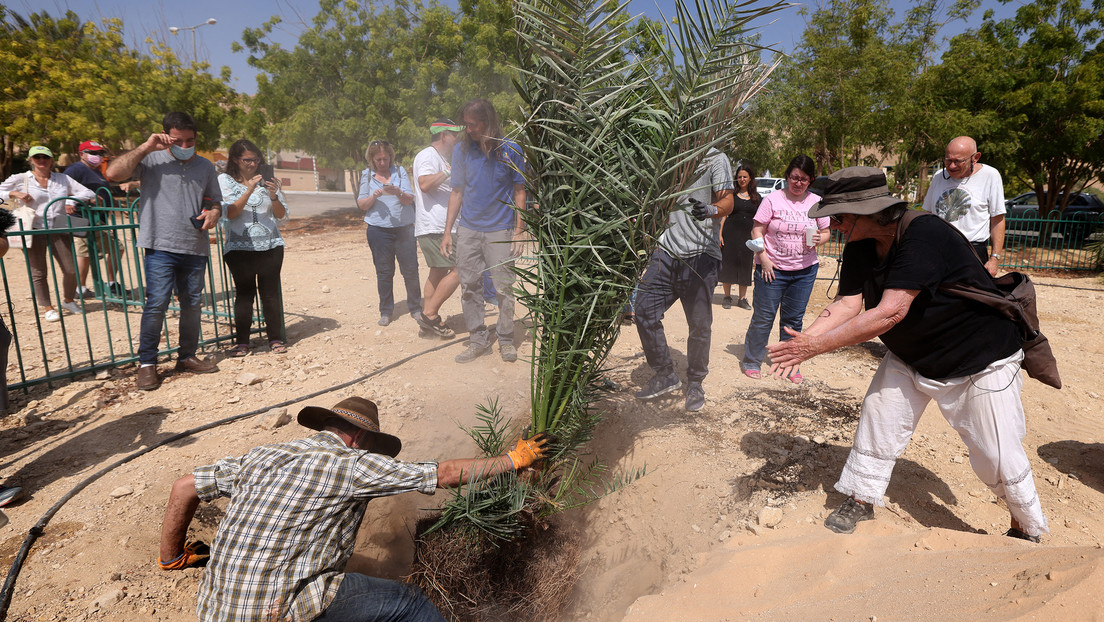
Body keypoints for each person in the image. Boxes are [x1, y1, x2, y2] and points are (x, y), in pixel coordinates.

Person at [767, 166, 1048, 543]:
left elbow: (890, 312)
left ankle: (1025, 526)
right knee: (879, 418)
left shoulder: (924, 234)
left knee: (996, 451)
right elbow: (848, 303)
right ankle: (861, 497)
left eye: (839, 215)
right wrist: (804, 342)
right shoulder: (860, 245)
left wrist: (813, 347)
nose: (832, 224)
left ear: (869, 211)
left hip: (979, 357)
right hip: (912, 352)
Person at [158, 396, 549, 621]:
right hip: (274, 611)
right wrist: (512, 461)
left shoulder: (264, 456)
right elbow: (444, 474)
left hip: (215, 611)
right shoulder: (352, 463)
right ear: (360, 436)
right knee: (412, 604)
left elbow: (184, 487)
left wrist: (173, 557)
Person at [106, 111, 222, 391]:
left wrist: (215, 212)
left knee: (192, 304)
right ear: (165, 135)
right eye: (178, 141)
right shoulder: (150, 159)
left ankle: (187, 357)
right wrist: (146, 146)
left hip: (194, 246)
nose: (184, 147)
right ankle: (147, 364)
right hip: (160, 245)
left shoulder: (206, 166)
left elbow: (217, 200)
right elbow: (112, 174)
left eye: (190, 141)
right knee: (156, 303)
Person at [633, 148, 734, 412]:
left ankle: (695, 382)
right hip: (665, 252)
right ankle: (665, 373)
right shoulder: (669, 149)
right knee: (644, 310)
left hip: (701, 256)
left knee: (699, 326)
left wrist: (710, 209)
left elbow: (728, 202)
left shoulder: (715, 157)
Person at [441, 99, 527, 364]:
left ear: (488, 122)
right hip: (468, 229)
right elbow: (457, 192)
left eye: (473, 124)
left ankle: (505, 340)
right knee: (469, 286)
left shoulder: (511, 150)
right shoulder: (462, 151)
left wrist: (519, 230)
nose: (468, 129)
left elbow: (519, 191)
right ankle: (478, 340)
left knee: (504, 288)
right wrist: (448, 232)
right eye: (466, 124)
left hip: (500, 230)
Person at [741, 154, 829, 384]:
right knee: (763, 317)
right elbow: (756, 230)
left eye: (804, 179)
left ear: (811, 180)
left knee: (793, 321)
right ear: (788, 176)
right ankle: (751, 359)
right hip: (771, 269)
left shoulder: (817, 202)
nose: (798, 183)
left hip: (804, 271)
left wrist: (820, 239)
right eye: (794, 177)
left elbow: (827, 232)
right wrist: (763, 258)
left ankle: (788, 362)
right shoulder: (772, 200)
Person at [0, 146, 95, 322]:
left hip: (58, 228)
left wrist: (68, 200)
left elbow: (88, 192)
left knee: (71, 269)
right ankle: (48, 307)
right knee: (38, 272)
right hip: (33, 229)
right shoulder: (21, 179)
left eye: (45, 157)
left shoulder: (62, 178)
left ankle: (68, 300)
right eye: (37, 157)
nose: (41, 160)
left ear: (52, 160)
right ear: (31, 160)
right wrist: (13, 193)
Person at [218, 139, 289, 356]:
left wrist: (274, 195)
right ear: (235, 160)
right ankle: (242, 343)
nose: (253, 164)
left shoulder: (268, 181)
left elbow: (280, 215)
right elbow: (230, 213)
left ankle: (275, 339)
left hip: (271, 245)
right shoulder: (225, 180)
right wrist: (248, 189)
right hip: (240, 247)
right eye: (247, 160)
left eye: (256, 160)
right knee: (245, 294)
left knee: (270, 294)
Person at [356, 140, 422, 327]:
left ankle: (416, 308)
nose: (383, 163)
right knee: (384, 272)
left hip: (404, 229)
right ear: (372, 159)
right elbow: (362, 204)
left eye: (385, 159)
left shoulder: (400, 172)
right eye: (378, 160)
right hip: (378, 230)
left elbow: (409, 200)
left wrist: (398, 192)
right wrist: (374, 196)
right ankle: (386, 311)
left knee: (410, 270)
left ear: (390, 157)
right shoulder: (367, 175)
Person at [922, 136, 1006, 277]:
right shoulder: (938, 176)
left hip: (972, 252)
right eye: (948, 160)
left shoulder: (990, 176)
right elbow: (929, 215)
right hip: (938, 249)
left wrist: (994, 258)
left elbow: (997, 218)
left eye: (958, 161)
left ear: (975, 158)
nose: (952, 166)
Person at [411, 119, 464, 340]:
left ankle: (427, 325)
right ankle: (429, 315)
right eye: (455, 134)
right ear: (444, 135)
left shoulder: (439, 158)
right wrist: (450, 171)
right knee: (463, 268)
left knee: (437, 272)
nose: (458, 138)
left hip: (436, 226)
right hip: (435, 226)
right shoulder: (428, 155)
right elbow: (424, 184)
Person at [64, 140, 125, 299]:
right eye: (92, 153)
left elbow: (101, 193)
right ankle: (81, 288)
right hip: (83, 218)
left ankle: (108, 284)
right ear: (81, 154)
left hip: (98, 219)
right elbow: (62, 190)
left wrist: (115, 204)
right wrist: (72, 202)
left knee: (112, 248)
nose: (97, 156)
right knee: (85, 252)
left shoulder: (96, 171)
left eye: (99, 153)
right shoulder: (75, 170)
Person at [718, 164, 760, 310]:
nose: (742, 179)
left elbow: (760, 219)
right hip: (730, 235)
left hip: (748, 237)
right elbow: (724, 215)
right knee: (728, 265)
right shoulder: (731, 196)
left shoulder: (756, 198)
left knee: (745, 266)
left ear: (750, 179)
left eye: (745, 177)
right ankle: (727, 297)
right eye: (740, 177)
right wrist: (720, 234)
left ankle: (742, 299)